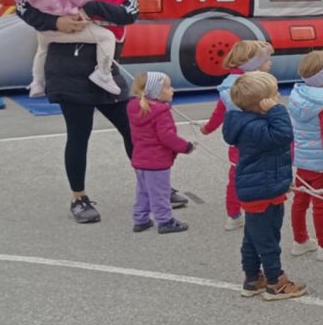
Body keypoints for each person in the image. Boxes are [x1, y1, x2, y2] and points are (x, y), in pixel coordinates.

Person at [15, 0, 188, 223]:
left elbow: (128, 14)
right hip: (68, 67)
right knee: (79, 135)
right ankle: (79, 199)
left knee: (134, 129)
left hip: (106, 68)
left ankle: (154, 185)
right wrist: (55, 21)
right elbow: (22, 6)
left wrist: (88, 6)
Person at [223, 71, 306, 301]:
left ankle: (252, 278)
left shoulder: (246, 121)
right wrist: (277, 111)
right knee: (269, 240)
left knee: (253, 237)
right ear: (263, 103)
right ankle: (275, 281)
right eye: (274, 95)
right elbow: (284, 135)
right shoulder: (257, 127)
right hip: (263, 190)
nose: (278, 97)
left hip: (259, 187)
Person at [200, 40, 274, 230]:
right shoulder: (259, 87)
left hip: (237, 144)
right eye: (267, 60)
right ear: (254, 65)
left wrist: (208, 128)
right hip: (260, 141)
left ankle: (233, 215)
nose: (270, 63)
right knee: (262, 175)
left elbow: (219, 112)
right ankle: (261, 212)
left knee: (236, 177)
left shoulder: (227, 87)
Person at [287, 48, 323, 261]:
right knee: (322, 205)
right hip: (321, 161)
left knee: (300, 200)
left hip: (302, 158)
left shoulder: (297, 95)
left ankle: (300, 240)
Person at [127, 71, 194, 234]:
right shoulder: (161, 112)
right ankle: (165, 221)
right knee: (160, 193)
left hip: (140, 158)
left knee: (143, 191)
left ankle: (141, 219)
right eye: (169, 87)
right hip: (157, 160)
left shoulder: (135, 107)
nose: (172, 90)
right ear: (157, 92)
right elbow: (167, 136)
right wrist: (185, 146)